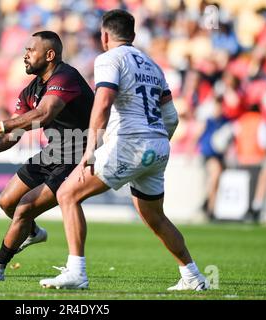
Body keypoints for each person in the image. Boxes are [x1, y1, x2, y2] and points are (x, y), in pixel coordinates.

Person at [39, 10, 210, 291]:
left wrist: (91, 149)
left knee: (67, 193)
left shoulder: (108, 59)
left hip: (130, 142)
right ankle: (192, 276)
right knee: (154, 216)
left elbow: (103, 103)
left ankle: (76, 272)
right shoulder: (153, 65)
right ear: (133, 35)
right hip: (158, 144)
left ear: (105, 35)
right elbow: (172, 118)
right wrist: (155, 146)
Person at [0, 31, 94, 282]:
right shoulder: (30, 90)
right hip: (53, 153)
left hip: (78, 156)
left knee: (24, 208)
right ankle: (33, 232)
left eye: (30, 50)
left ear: (50, 55)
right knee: (6, 202)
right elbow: (14, 135)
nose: (25, 55)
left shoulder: (66, 76)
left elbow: (43, 114)